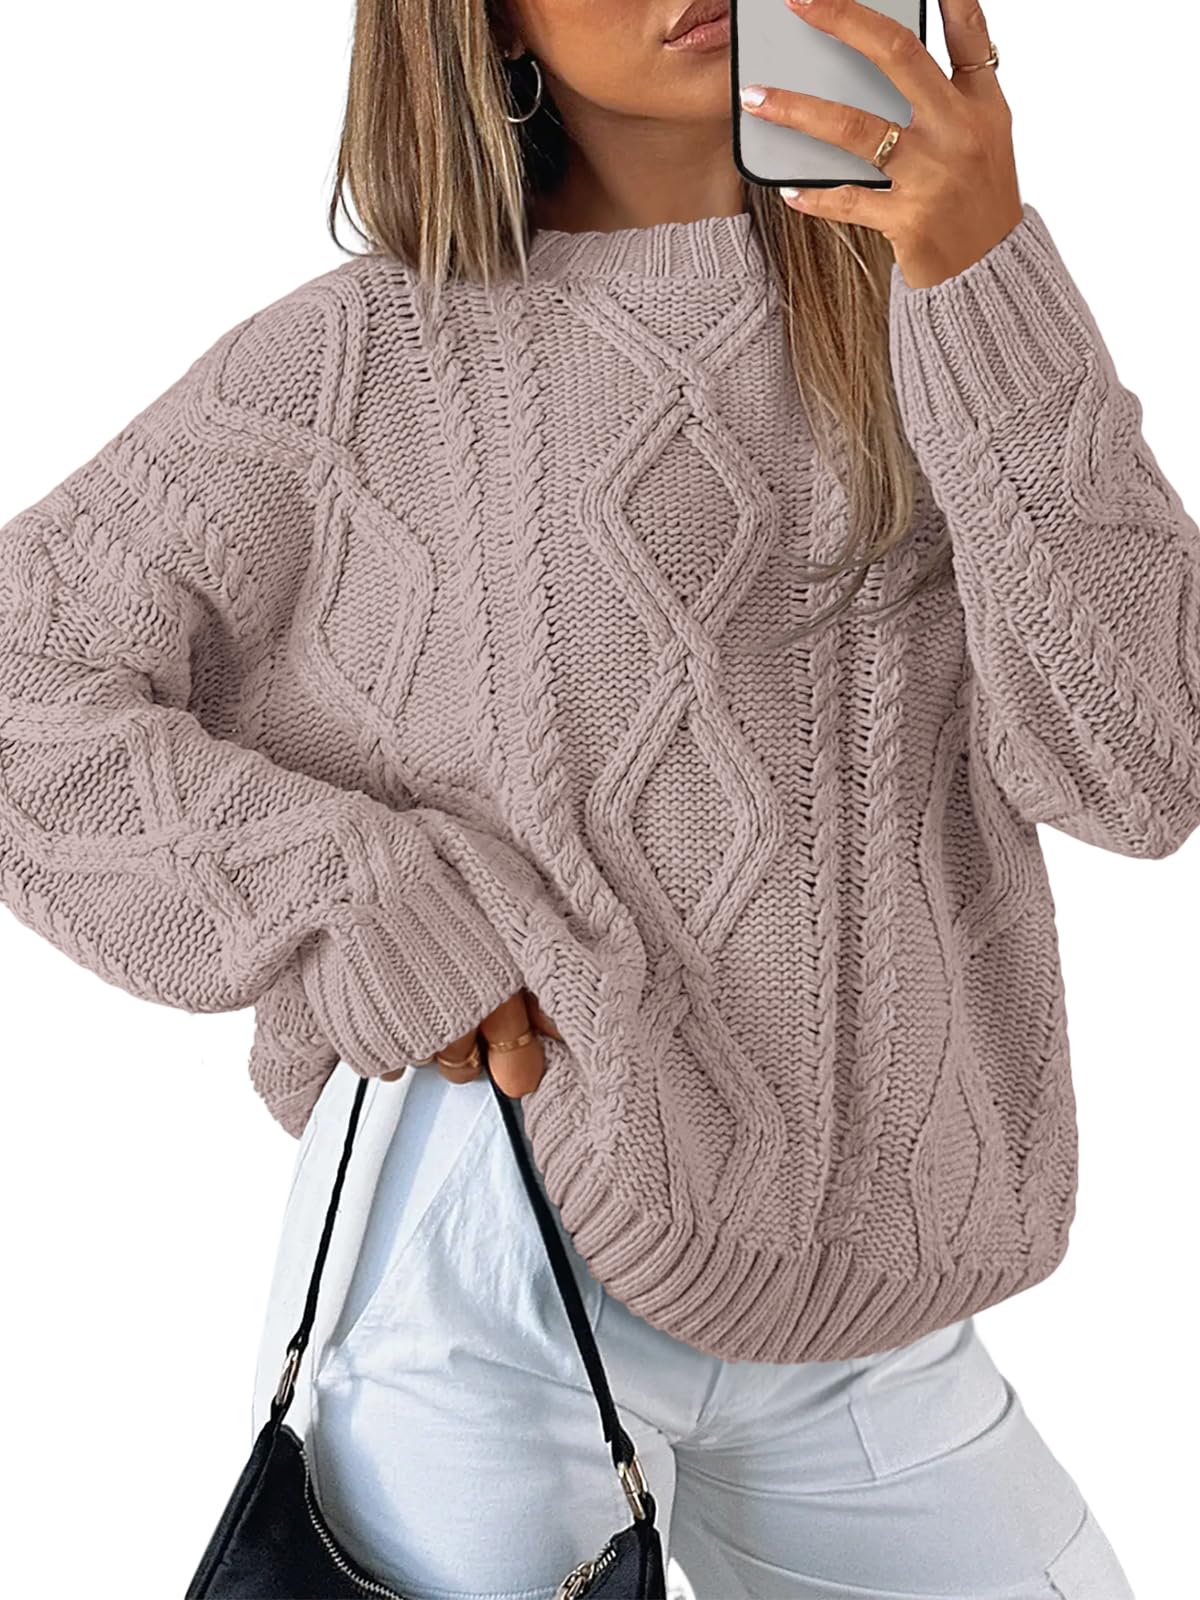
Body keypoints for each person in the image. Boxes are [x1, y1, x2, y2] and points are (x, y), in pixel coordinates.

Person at [2, 0, 1192, 1594]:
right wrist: (358, 900)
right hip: (497, 1238)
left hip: (884, 1296)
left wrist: (982, 274)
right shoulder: (365, 357)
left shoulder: (945, 311)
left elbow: (1144, 770)